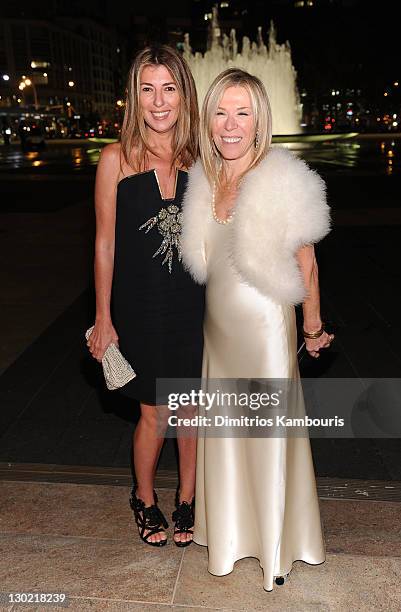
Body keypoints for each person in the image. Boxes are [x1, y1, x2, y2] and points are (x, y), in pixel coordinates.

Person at [181, 68, 333, 591]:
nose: (230, 124)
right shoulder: (205, 176)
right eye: (221, 111)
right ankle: (230, 538)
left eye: (242, 113)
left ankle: (275, 552)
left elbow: (307, 264)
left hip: (268, 328)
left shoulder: (280, 176)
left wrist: (312, 327)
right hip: (218, 331)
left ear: (259, 120)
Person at [87, 45, 205, 548]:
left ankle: (187, 499)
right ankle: (144, 496)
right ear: (134, 96)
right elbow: (105, 243)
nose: (158, 102)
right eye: (147, 88)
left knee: (190, 409)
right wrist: (102, 318)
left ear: (183, 95)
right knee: (154, 412)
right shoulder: (115, 158)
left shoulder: (203, 157)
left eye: (169, 88)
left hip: (195, 304)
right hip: (140, 306)